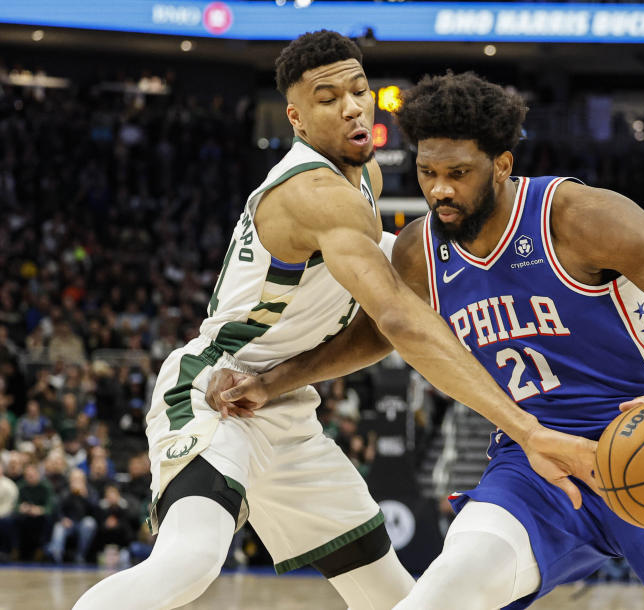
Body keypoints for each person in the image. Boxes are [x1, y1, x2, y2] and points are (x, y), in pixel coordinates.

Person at [207, 72, 644, 609]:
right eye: (427, 173)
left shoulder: (578, 217)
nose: (440, 191)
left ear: (503, 165)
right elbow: (378, 332)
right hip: (534, 466)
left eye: (458, 174)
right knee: (440, 595)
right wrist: (271, 381)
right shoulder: (420, 251)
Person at [72, 32, 595, 610]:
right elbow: (394, 315)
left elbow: (387, 287)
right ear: (295, 117)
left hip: (282, 401)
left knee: (391, 595)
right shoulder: (314, 192)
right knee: (188, 562)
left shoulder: (363, 178)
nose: (351, 106)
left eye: (359, 90)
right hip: (216, 390)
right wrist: (527, 428)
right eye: (328, 98)